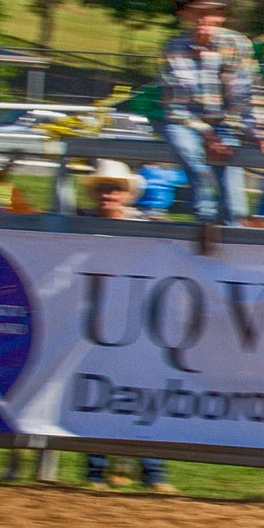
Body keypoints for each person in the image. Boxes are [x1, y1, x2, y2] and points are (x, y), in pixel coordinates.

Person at [77, 162, 173, 493]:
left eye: (115, 188)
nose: (109, 194)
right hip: (93, 322)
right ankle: (97, 470)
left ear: (127, 194)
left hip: (137, 321)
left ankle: (153, 471)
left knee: (144, 394)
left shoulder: (146, 227)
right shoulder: (78, 224)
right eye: (104, 188)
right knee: (96, 393)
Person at [160, 0, 264, 248]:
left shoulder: (237, 45)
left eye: (209, 13)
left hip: (226, 125)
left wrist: (259, 133)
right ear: (186, 15)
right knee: (188, 152)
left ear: (220, 16)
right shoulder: (174, 48)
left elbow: (250, 92)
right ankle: (204, 219)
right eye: (196, 12)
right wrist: (205, 132)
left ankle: (231, 241)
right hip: (186, 122)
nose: (203, 19)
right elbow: (175, 104)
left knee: (233, 196)